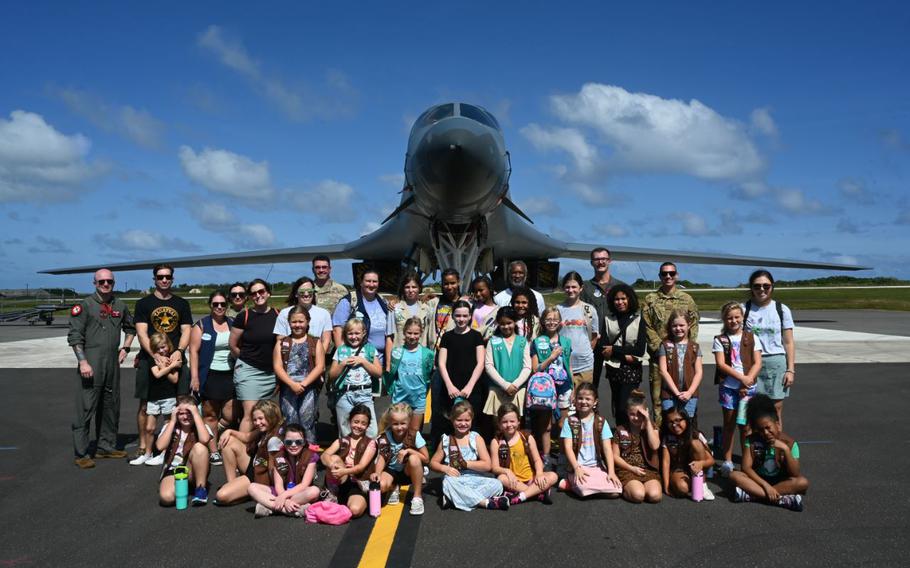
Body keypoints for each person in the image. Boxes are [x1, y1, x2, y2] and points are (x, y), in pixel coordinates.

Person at [68, 268, 135, 469]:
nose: (105, 285)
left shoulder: (120, 305)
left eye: (109, 281)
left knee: (110, 405)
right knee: (86, 406)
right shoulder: (85, 306)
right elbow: (75, 337)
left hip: (112, 363)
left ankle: (105, 446)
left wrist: (126, 347)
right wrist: (83, 362)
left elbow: (130, 328)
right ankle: (81, 453)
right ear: (94, 283)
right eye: (101, 282)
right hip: (92, 361)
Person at [133, 264, 192, 462]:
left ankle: (173, 445)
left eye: (168, 277)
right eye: (160, 277)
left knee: (177, 403)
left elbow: (186, 330)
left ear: (172, 279)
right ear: (154, 279)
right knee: (145, 405)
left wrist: (179, 351)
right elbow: (141, 333)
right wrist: (154, 355)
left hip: (174, 357)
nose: (164, 280)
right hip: (149, 359)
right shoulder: (143, 304)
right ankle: (143, 446)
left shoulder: (182, 304)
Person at [642, 262, 699, 425]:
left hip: (683, 359)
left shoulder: (687, 300)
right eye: (665, 273)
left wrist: (688, 349)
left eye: (672, 273)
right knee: (659, 402)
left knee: (686, 401)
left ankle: (685, 439)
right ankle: (661, 440)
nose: (668, 276)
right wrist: (662, 349)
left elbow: (694, 325)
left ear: (677, 275)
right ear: (660, 276)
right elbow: (647, 326)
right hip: (658, 360)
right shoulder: (650, 300)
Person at [729, 394, 808, 511]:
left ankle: (753, 496)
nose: (765, 433)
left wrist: (785, 450)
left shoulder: (790, 443)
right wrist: (766, 486)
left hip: (780, 482)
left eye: (768, 427)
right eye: (760, 430)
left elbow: (795, 474)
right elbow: (746, 468)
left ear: (777, 424)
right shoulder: (751, 440)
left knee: (802, 483)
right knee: (734, 475)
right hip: (758, 481)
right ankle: (781, 500)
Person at [713, 301, 762, 477]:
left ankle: (746, 460)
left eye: (737, 317)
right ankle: (727, 460)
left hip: (748, 388)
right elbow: (721, 364)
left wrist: (747, 380)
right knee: (729, 424)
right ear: (724, 320)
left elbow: (757, 362)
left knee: (745, 426)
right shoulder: (720, 340)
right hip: (729, 387)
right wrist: (741, 379)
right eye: (729, 318)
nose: (733, 321)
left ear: (742, 318)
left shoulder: (751, 337)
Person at [429, 400, 507, 511]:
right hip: (455, 479)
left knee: (498, 484)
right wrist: (444, 468)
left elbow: (487, 465)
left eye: (467, 420)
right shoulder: (446, 440)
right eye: (459, 420)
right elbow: (433, 463)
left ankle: (454, 498)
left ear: (472, 420)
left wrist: (465, 463)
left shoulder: (476, 438)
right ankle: (485, 503)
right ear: (452, 420)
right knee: (447, 482)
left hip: (474, 479)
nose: (463, 423)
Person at [742, 270, 796, 428]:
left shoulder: (781, 309)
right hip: (751, 364)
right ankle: (754, 448)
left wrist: (790, 369)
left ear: (772, 287)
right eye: (757, 286)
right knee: (751, 409)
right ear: (751, 288)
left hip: (775, 362)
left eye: (766, 286)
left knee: (775, 409)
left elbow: (788, 342)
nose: (762, 290)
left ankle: (774, 447)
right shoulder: (744, 309)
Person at [189, 290, 236, 466]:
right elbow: (193, 351)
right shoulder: (201, 325)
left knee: (231, 414)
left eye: (223, 304)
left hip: (230, 374)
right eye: (215, 304)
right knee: (210, 415)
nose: (219, 307)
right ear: (210, 305)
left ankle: (213, 433)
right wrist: (195, 377)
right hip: (209, 375)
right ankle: (214, 450)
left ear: (227, 306)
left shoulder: (232, 323)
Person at [433, 300, 486, 445]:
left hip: (472, 387)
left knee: (471, 421)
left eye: (464, 316)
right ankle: (449, 451)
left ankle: (472, 451)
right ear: (453, 316)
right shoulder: (447, 337)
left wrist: (470, 386)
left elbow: (480, 363)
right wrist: (449, 386)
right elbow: (441, 363)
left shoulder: (476, 336)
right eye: (458, 316)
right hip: (451, 386)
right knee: (450, 421)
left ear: (470, 317)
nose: (461, 319)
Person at [229, 278, 279, 432]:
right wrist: (246, 361)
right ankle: (242, 452)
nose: (258, 295)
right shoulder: (243, 316)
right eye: (253, 293)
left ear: (268, 293)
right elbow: (233, 345)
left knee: (265, 416)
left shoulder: (279, 314)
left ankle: (260, 450)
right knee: (251, 415)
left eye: (261, 291)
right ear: (250, 297)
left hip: (271, 373)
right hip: (249, 372)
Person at [214, 400, 285, 506]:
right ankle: (232, 484)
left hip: (260, 476)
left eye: (261, 418)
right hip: (255, 464)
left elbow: (272, 469)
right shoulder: (265, 428)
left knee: (221, 495)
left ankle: (246, 493)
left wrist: (275, 491)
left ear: (271, 416)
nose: (257, 423)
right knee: (229, 441)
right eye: (255, 420)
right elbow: (247, 437)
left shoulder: (275, 439)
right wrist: (229, 431)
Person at [558, 382, 622, 498]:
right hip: (577, 466)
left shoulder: (601, 422)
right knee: (584, 491)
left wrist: (611, 472)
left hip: (596, 466)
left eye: (588, 399)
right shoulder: (570, 422)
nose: (583, 402)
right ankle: (573, 482)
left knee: (616, 491)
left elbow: (607, 449)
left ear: (595, 402)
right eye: (580, 398)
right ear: (575, 400)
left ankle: (575, 486)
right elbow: (568, 448)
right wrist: (577, 468)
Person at [273, 306, 326, 444]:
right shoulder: (282, 343)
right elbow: (278, 367)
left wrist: (304, 384)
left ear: (307, 321)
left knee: (307, 421)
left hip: (308, 387)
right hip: (288, 387)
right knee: (290, 420)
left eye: (301, 322)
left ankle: (310, 455)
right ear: (289, 323)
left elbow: (320, 366)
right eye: (294, 322)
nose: (297, 325)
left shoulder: (315, 342)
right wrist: (292, 384)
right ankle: (292, 453)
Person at [598, 284, 646, 427]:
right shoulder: (608, 319)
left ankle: (633, 434)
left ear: (629, 299)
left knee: (628, 406)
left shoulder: (638, 319)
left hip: (632, 370)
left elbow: (639, 350)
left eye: (623, 298)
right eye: (616, 299)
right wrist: (625, 354)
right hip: (615, 370)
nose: (620, 302)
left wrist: (615, 350)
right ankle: (621, 435)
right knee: (617, 405)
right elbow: (604, 346)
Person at [490, 403, 557, 505]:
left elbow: (537, 460)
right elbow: (494, 467)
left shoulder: (526, 437)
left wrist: (539, 473)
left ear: (518, 422)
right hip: (513, 481)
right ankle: (537, 493)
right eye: (504, 422)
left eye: (512, 421)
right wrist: (507, 471)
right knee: (501, 478)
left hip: (531, 478)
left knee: (553, 476)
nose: (509, 425)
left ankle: (521, 496)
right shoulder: (496, 442)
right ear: (499, 424)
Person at [248, 423, 320, 517]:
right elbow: (278, 485)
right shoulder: (279, 456)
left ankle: (271, 507)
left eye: (298, 442)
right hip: (280, 492)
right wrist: (285, 500)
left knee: (314, 491)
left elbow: (304, 484)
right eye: (289, 442)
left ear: (304, 442)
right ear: (283, 442)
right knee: (251, 487)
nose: (293, 445)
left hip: (299, 493)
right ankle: (289, 511)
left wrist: (284, 497)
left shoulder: (310, 456)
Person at [371, 403, 430, 516]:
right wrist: (377, 473)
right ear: (390, 423)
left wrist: (409, 451)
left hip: (408, 471)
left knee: (414, 459)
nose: (399, 427)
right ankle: (394, 486)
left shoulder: (414, 435)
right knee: (380, 485)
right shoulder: (385, 436)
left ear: (409, 422)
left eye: (403, 423)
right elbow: (382, 457)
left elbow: (426, 459)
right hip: (392, 470)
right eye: (395, 424)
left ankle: (417, 497)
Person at [530, 307, 573, 462]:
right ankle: (546, 456)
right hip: (545, 388)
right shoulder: (537, 342)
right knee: (546, 425)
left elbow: (569, 365)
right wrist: (551, 357)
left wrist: (573, 386)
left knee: (562, 424)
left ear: (560, 321)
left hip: (564, 387)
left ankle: (563, 455)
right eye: (548, 319)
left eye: (555, 319)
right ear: (542, 321)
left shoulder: (566, 342)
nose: (551, 322)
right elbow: (536, 368)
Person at [320, 404, 378, 518]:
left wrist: (343, 471)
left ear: (367, 426)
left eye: (363, 423)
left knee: (355, 511)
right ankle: (332, 493)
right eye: (356, 422)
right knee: (333, 458)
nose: (359, 426)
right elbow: (324, 455)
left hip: (359, 483)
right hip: (341, 481)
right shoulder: (342, 441)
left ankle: (351, 501)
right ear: (350, 421)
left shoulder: (370, 443)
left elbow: (361, 467)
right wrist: (331, 464)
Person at [134, 333, 181, 467]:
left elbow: (175, 379)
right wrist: (171, 367)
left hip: (168, 396)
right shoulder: (152, 359)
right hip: (153, 397)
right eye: (158, 348)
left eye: (163, 347)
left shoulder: (173, 358)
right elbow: (157, 374)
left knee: (167, 426)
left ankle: (164, 454)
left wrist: (168, 365)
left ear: (168, 345)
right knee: (149, 428)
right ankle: (147, 454)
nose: (162, 351)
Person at [581, 247, 626, 390]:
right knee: (590, 386)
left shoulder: (620, 286)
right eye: (597, 259)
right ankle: (592, 411)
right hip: (592, 343)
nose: (600, 262)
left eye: (604, 259)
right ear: (591, 263)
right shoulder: (585, 288)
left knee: (619, 387)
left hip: (615, 343)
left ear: (609, 261)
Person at [330, 319, 382, 438]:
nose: (354, 337)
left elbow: (378, 372)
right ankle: (348, 454)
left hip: (364, 393)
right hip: (344, 394)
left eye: (357, 333)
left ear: (363, 333)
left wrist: (363, 361)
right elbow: (332, 375)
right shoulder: (341, 350)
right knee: (346, 431)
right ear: (345, 334)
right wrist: (342, 364)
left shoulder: (370, 349)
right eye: (350, 333)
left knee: (371, 431)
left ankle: (368, 454)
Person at [155, 395, 211, 506]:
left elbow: (205, 439)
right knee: (167, 498)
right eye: (181, 413)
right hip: (173, 470)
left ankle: (200, 489)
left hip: (192, 470)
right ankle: (183, 488)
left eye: (189, 412)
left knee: (200, 447)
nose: (185, 417)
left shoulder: (201, 427)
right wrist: (172, 421)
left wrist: (196, 414)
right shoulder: (170, 427)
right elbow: (160, 446)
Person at [332, 269, 389, 379]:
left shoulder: (382, 300)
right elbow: (337, 329)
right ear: (361, 282)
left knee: (369, 394)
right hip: (356, 359)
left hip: (378, 360)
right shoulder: (349, 301)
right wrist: (344, 356)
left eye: (374, 281)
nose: (371, 284)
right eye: (368, 281)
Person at [384, 318, 435, 433]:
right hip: (400, 398)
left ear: (421, 333)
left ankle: (413, 451)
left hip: (418, 398)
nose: (412, 336)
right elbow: (391, 374)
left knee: (415, 432)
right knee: (398, 430)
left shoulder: (428, 354)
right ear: (404, 332)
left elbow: (429, 376)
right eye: (409, 333)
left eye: (416, 333)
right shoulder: (397, 352)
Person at [483, 307, 532, 424]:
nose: (506, 326)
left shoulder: (523, 341)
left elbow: (527, 367)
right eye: (502, 324)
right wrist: (505, 385)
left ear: (515, 322)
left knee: (515, 424)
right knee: (499, 424)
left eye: (509, 323)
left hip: (518, 389)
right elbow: (489, 366)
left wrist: (514, 385)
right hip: (497, 388)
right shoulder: (493, 341)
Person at [613, 390, 662, 504]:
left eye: (640, 414)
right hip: (628, 469)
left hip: (647, 470)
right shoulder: (621, 430)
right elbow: (614, 456)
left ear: (645, 412)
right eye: (632, 414)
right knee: (638, 495)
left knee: (655, 496)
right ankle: (626, 489)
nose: (636, 418)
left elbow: (655, 446)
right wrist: (631, 468)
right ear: (627, 412)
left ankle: (641, 486)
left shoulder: (652, 427)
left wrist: (648, 420)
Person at [659, 406, 714, 500]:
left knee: (695, 443)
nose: (674, 425)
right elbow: (666, 463)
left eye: (678, 420)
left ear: (686, 420)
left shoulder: (696, 434)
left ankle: (702, 484)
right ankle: (692, 484)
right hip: (678, 469)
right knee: (682, 488)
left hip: (696, 467)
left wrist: (701, 463)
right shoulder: (667, 437)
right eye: (670, 422)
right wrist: (666, 486)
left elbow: (711, 461)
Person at [657, 310, 703, 420]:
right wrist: (677, 393)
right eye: (675, 326)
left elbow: (699, 372)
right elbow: (663, 371)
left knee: (688, 424)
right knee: (670, 423)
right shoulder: (665, 346)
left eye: (682, 325)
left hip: (690, 395)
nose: (678, 329)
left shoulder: (695, 347)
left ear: (688, 325)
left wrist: (690, 392)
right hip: (669, 395)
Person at [556, 271, 600, 388]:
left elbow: (594, 336)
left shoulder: (589, 310)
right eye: (567, 287)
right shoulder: (557, 310)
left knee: (584, 402)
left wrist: (586, 351)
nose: (571, 290)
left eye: (574, 287)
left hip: (585, 366)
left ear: (581, 288)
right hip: (563, 365)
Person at [274, 277, 333, 353]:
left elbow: (326, 340)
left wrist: (318, 358)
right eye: (302, 292)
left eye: (310, 291)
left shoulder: (324, 313)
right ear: (296, 294)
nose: (306, 294)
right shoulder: (284, 313)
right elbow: (280, 340)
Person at [385, 272, 432, 361]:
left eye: (414, 287)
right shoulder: (394, 308)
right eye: (407, 287)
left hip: (420, 358)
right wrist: (388, 364)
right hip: (399, 357)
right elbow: (389, 337)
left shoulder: (426, 309)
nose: (411, 290)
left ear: (419, 288)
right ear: (403, 289)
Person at [427, 269, 471, 349]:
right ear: (442, 284)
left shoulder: (467, 304)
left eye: (453, 283)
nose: (449, 287)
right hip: (435, 351)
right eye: (446, 284)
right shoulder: (433, 303)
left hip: (456, 351)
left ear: (459, 282)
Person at [469, 275, 499, 340]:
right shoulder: (472, 305)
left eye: (481, 290)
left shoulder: (497, 311)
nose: (478, 294)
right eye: (475, 291)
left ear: (490, 289)